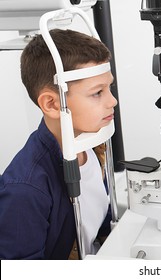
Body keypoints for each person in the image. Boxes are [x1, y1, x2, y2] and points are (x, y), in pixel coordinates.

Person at [0, 29, 117, 259]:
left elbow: (98, 223)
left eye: (109, 88)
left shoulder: (92, 146)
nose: (112, 101)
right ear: (52, 104)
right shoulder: (26, 189)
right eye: (97, 93)